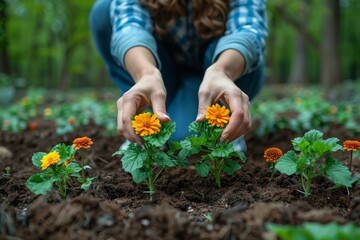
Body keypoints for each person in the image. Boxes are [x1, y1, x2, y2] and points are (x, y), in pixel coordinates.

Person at [89, 0, 268, 152]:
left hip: (222, 69)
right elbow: (130, 27)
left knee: (190, 141)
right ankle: (147, 111)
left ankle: (226, 119)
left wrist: (222, 71)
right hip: (165, 73)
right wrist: (146, 73)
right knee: (104, 11)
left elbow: (248, 29)